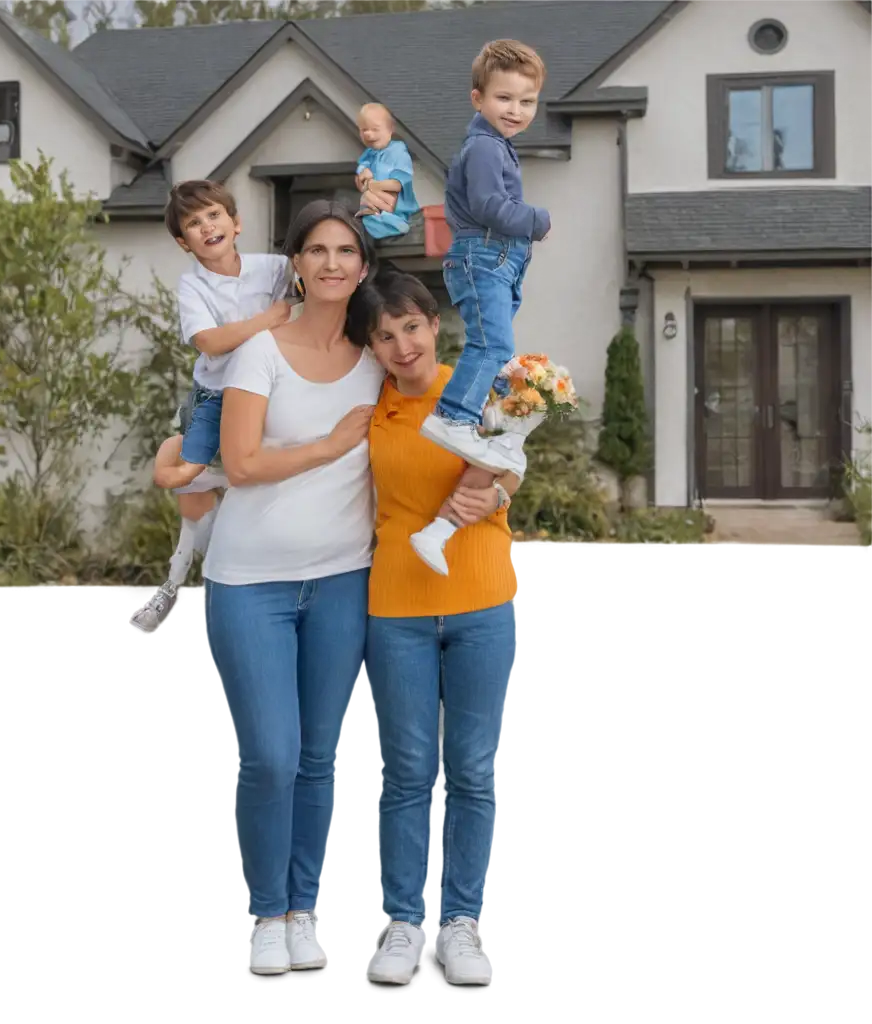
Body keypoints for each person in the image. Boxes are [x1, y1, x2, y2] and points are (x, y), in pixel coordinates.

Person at [202, 200, 385, 975]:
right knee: (271, 755)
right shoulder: (260, 354)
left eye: (347, 250)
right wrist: (330, 444)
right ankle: (264, 914)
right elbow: (240, 465)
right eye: (317, 250)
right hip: (252, 582)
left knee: (317, 755)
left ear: (364, 267)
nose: (333, 263)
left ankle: (303, 909)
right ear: (296, 265)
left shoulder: (380, 358)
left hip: (342, 579)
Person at [348, 267, 522, 987]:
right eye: (384, 336)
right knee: (407, 771)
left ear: (434, 325)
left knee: (473, 769)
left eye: (410, 327)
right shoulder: (370, 413)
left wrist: (500, 491)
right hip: (398, 609)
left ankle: (462, 925)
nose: (401, 345)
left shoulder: (479, 386)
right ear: (372, 347)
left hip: (482, 602)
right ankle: (399, 925)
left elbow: (512, 464)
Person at [130, 180, 296, 632]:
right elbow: (209, 342)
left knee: (266, 478)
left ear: (236, 222)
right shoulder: (193, 285)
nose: (207, 227)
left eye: (214, 215)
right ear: (184, 242)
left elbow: (318, 276)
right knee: (181, 478)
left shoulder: (274, 268)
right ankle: (177, 579)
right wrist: (266, 320)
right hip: (216, 395)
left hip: (268, 392)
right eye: (194, 223)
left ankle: (247, 555)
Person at [419, 39, 552, 479]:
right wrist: (537, 219)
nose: (516, 109)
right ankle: (454, 417)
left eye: (527, 101)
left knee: (500, 351)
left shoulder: (496, 145)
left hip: (497, 259)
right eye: (504, 98)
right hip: (484, 254)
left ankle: (486, 421)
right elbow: (488, 204)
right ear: (478, 98)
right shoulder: (484, 147)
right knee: (491, 344)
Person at [353, 103, 420, 240]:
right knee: (364, 220)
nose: (368, 134)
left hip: (398, 210)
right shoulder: (369, 154)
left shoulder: (398, 152)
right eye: (363, 130)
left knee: (374, 220)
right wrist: (363, 172)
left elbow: (397, 184)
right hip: (376, 209)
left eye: (374, 129)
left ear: (390, 129)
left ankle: (398, 224)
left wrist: (372, 185)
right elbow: (361, 170)